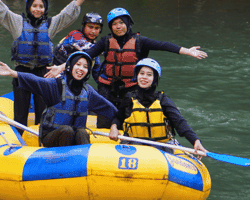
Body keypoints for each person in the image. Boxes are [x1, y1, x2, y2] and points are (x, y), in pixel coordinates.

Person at [0, 0, 95, 130]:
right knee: (21, 113)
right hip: (21, 72)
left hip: (43, 73)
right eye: (35, 5)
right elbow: (1, 10)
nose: (38, 9)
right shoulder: (17, 22)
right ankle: (19, 140)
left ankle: (42, 139)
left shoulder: (50, 24)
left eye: (41, 6)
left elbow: (67, 14)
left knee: (42, 111)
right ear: (29, 7)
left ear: (45, 8)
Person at [48, 7, 207, 128]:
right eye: (114, 24)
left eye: (121, 23)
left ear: (128, 23)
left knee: (128, 121)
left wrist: (188, 51)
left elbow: (163, 45)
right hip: (107, 88)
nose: (118, 27)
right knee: (104, 122)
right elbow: (85, 55)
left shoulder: (140, 41)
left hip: (130, 90)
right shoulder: (105, 42)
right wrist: (61, 68)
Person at [0, 52, 117, 148]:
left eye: (85, 67)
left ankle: (83, 167)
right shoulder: (56, 85)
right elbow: (35, 80)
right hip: (51, 137)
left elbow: (110, 110)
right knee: (67, 131)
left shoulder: (88, 92)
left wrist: (114, 125)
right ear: (70, 66)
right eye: (78, 64)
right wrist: (13, 73)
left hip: (75, 139)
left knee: (82, 132)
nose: (81, 69)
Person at [108, 58, 208, 159]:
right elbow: (118, 117)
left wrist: (195, 141)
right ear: (137, 75)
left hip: (160, 147)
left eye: (149, 75)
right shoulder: (129, 98)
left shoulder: (163, 100)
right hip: (134, 145)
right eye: (141, 73)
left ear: (155, 78)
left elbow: (179, 122)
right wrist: (114, 126)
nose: (144, 77)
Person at [53, 12, 104, 82]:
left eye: (97, 28)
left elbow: (97, 71)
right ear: (83, 26)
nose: (93, 31)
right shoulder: (75, 35)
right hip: (58, 74)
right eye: (90, 27)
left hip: (77, 78)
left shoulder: (95, 46)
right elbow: (92, 49)